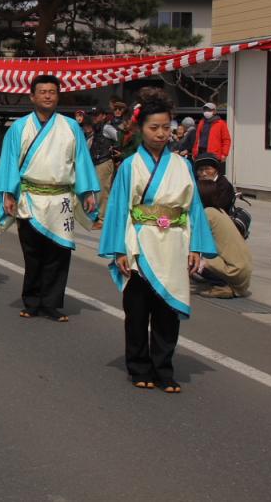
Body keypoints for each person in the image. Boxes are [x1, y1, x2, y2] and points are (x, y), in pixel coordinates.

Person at [98, 89, 216, 393]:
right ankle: (139, 365)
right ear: (141, 129)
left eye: (166, 127)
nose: (161, 133)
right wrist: (118, 249)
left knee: (166, 311)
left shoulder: (182, 165)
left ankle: (164, 368)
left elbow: (194, 209)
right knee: (137, 311)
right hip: (140, 243)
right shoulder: (129, 166)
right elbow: (119, 208)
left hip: (175, 243)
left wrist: (196, 247)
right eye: (154, 127)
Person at [0, 75, 100, 322]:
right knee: (32, 253)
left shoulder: (71, 127)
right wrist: (8, 194)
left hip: (61, 198)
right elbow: (8, 163)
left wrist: (87, 193)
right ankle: (31, 301)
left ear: (57, 95)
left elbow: (81, 161)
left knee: (59, 253)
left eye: (52, 91)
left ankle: (52, 303)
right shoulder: (19, 127)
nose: (48, 95)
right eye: (42, 91)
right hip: (30, 197)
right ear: (32, 96)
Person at [196, 178, 252, 299]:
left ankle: (221, 285)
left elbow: (193, 238)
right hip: (242, 271)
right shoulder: (219, 211)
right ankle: (219, 281)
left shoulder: (207, 214)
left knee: (190, 256)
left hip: (234, 272)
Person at [86, 112, 116, 229]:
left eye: (96, 115)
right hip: (97, 162)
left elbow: (120, 137)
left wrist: (115, 149)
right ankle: (99, 218)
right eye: (93, 116)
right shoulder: (96, 129)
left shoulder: (107, 127)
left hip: (104, 161)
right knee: (98, 190)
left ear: (103, 115)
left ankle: (102, 220)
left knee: (103, 191)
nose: (94, 117)